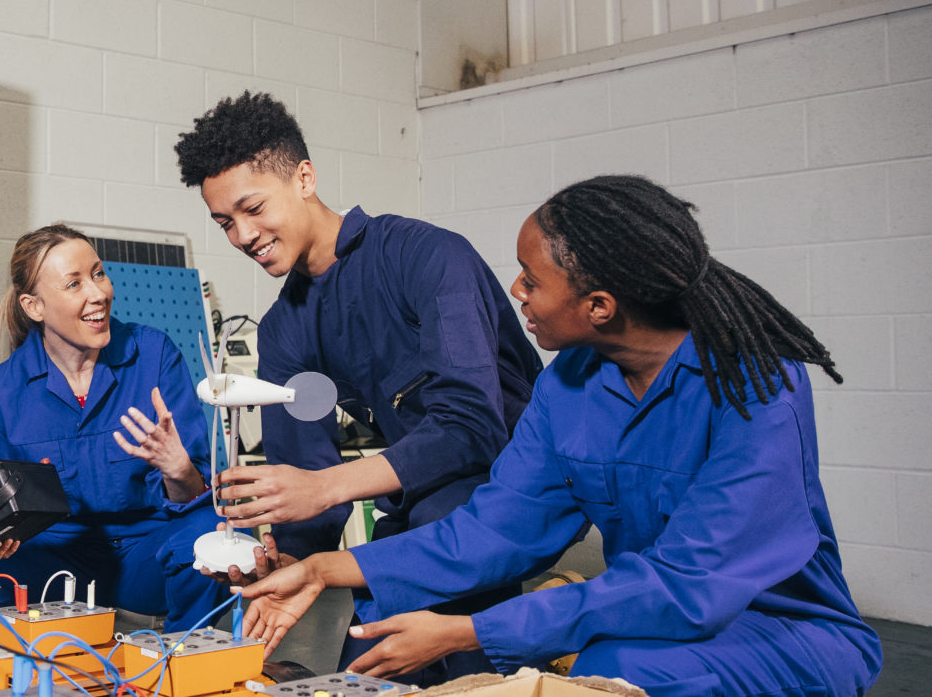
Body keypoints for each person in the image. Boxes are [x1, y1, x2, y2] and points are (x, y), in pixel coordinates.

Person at [238, 175, 882, 695]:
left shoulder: (757, 382)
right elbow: (496, 527)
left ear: (599, 305)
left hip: (782, 629)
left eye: (532, 280)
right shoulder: (568, 383)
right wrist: (327, 568)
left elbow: (691, 584)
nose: (514, 291)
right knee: (611, 657)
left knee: (623, 672)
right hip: (652, 623)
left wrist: (470, 633)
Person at [174, 92, 543, 679]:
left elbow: (472, 429)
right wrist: (283, 563)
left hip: (509, 486)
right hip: (421, 501)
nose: (242, 235)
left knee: (461, 664)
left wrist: (324, 489)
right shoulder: (286, 327)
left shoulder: (428, 258)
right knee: (360, 669)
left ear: (304, 177)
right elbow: (305, 475)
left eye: (252, 208)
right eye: (225, 223)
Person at [0, 224, 225, 631]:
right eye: (74, 284)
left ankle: (186, 663)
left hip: (147, 559)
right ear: (34, 306)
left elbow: (194, 497)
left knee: (213, 534)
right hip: (53, 564)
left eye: (98, 274)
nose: (98, 293)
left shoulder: (153, 355)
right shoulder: (7, 388)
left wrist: (179, 468)